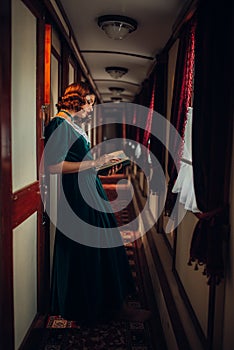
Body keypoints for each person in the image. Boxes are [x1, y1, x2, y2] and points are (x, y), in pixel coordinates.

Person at [44, 82, 150, 325]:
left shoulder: (71, 124)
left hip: (89, 189)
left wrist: (103, 164)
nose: (91, 109)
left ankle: (107, 305)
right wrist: (93, 164)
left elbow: (81, 161)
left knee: (102, 244)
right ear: (75, 100)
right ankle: (96, 308)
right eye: (89, 103)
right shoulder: (59, 124)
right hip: (76, 196)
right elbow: (53, 165)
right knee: (92, 247)